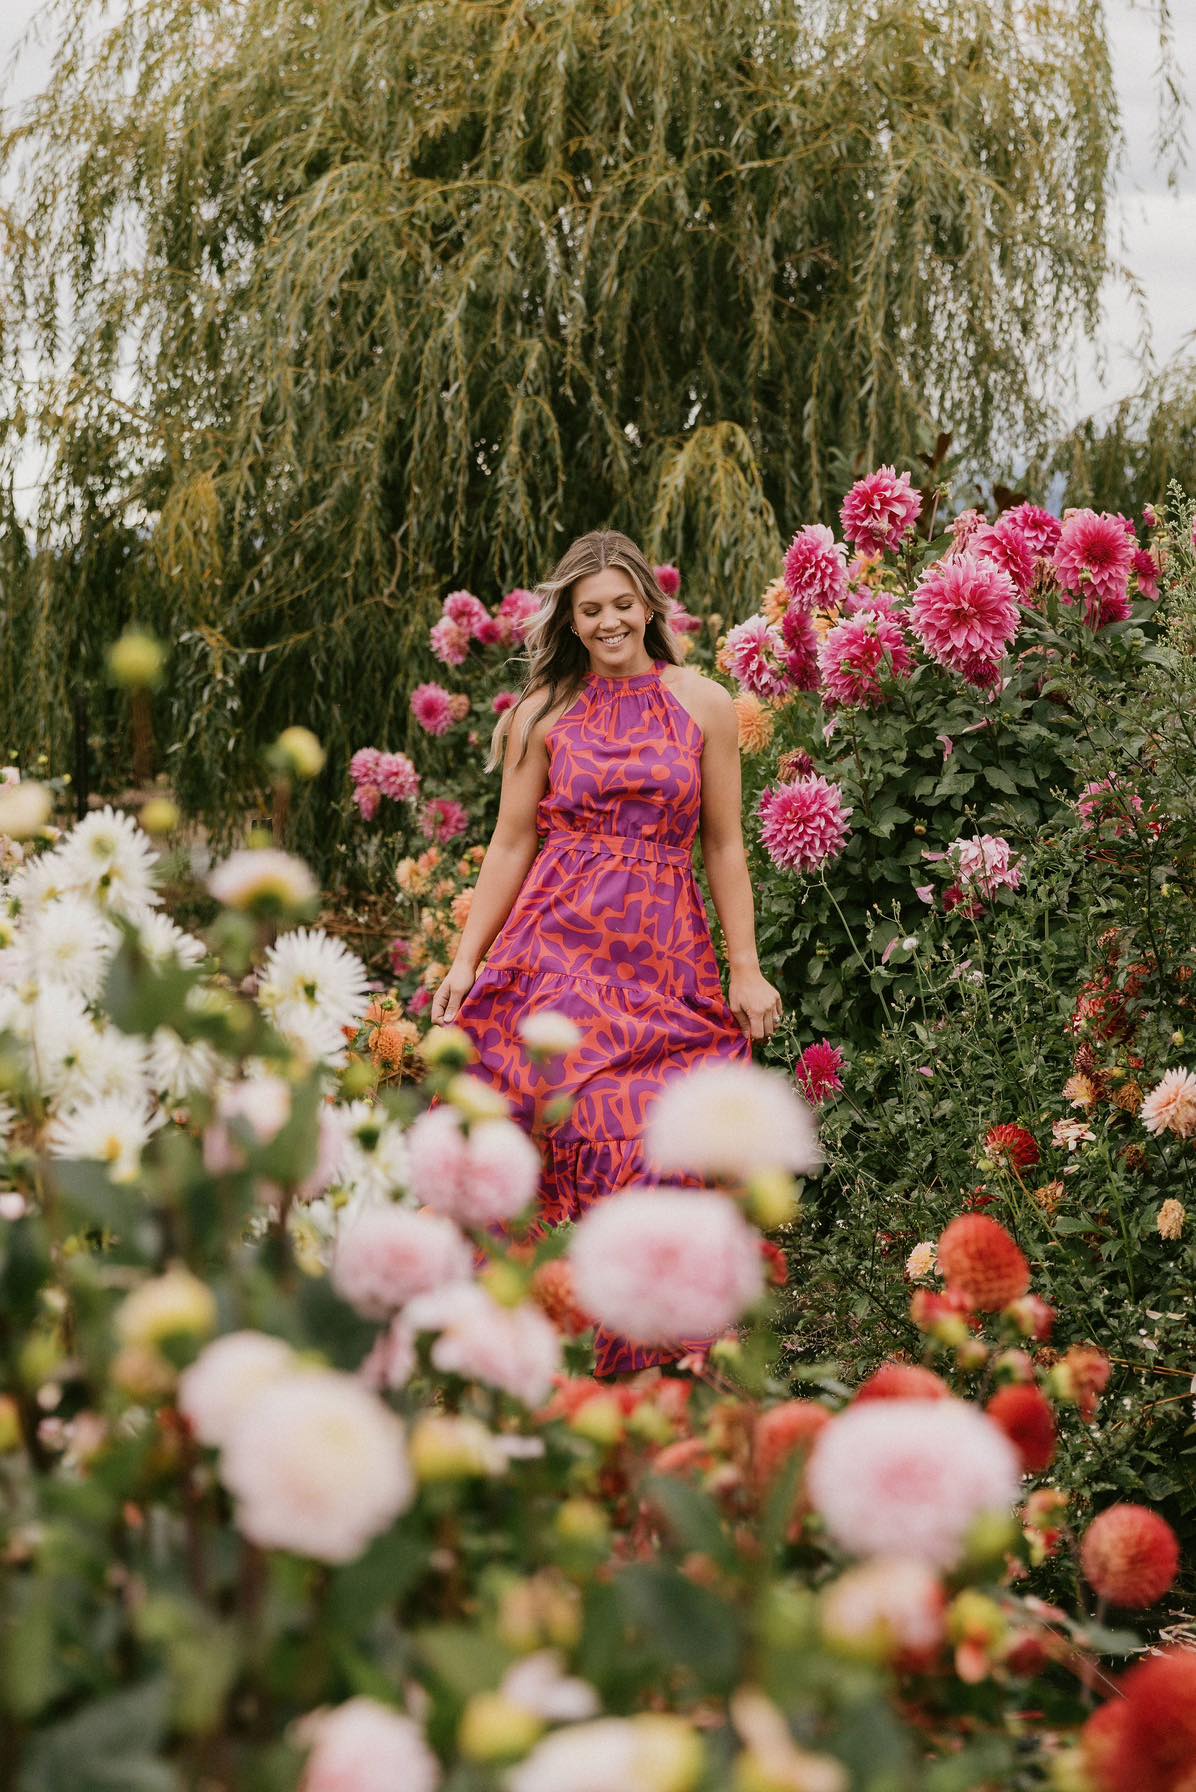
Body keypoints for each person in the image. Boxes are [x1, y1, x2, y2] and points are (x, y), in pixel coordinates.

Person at [430, 529, 782, 1371]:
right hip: (557, 942)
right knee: (553, 1118)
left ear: (649, 608)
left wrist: (745, 964)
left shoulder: (704, 704)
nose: (610, 620)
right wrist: (465, 959)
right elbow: (511, 843)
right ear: (573, 623)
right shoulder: (542, 714)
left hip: (666, 955)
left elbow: (724, 846)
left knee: (657, 1134)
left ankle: (652, 1348)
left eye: (623, 604)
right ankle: (544, 1342)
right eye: (592, 611)